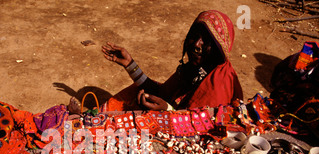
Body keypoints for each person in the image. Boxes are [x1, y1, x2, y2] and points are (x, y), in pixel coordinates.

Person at [100, 10, 243, 114]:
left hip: (196, 136)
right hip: (179, 115)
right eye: (194, 36)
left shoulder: (218, 84)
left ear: (219, 49)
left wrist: (168, 110)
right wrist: (130, 64)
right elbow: (161, 92)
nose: (197, 44)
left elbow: (202, 128)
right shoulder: (193, 69)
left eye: (206, 40)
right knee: (135, 92)